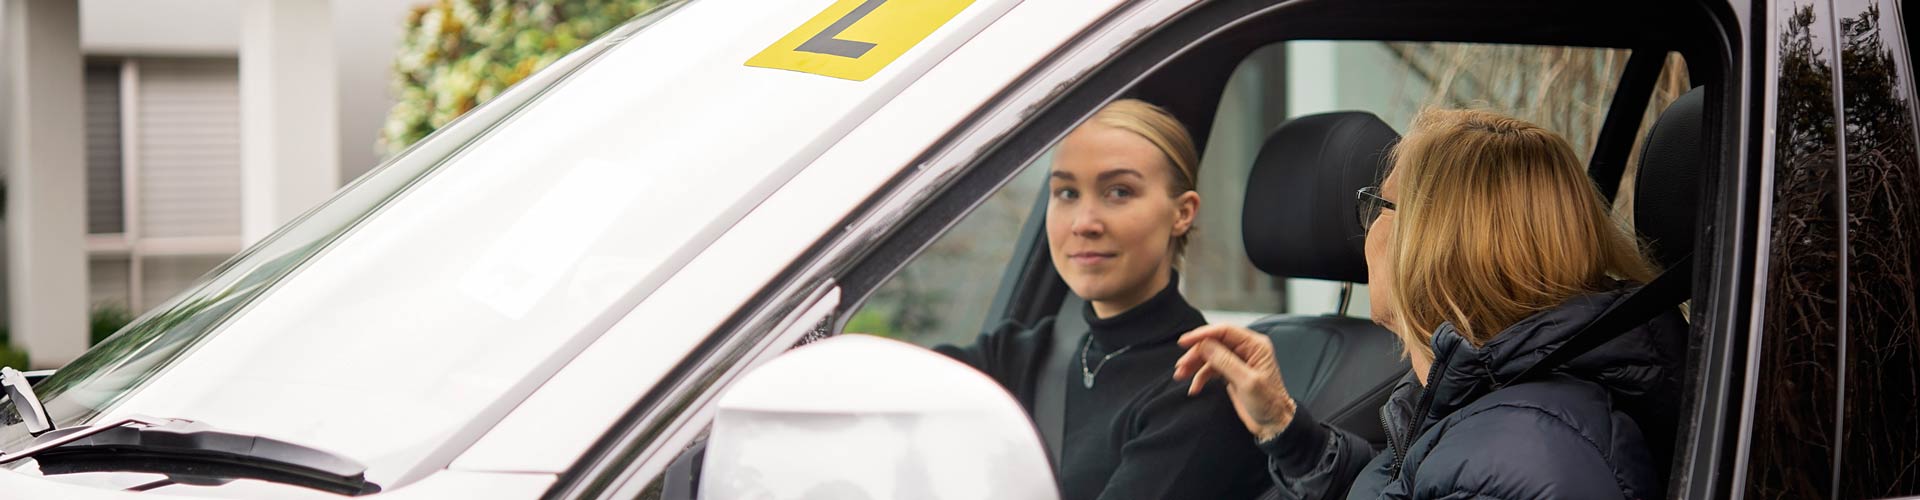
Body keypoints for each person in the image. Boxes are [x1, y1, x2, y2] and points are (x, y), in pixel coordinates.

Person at [1174, 109, 1686, 499]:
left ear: (1438, 243)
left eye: (1377, 205)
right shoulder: (1494, 403)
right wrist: (1284, 427)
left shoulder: (1521, 452)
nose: (1366, 227)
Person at [936, 99, 1270, 500]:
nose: (1084, 223)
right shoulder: (1020, 355)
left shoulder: (1198, 385)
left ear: (1183, 213)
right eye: (1066, 192)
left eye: (1118, 191)